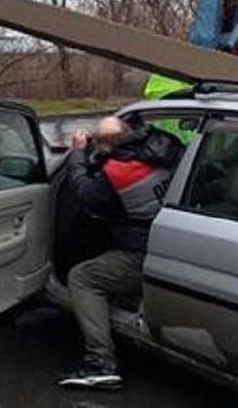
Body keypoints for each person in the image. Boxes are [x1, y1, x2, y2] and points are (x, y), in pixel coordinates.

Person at [58, 116, 184, 390]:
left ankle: (99, 364)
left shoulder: (118, 172)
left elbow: (84, 192)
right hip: (173, 240)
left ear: (104, 146)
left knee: (82, 277)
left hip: (144, 252)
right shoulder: (166, 146)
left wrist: (78, 152)